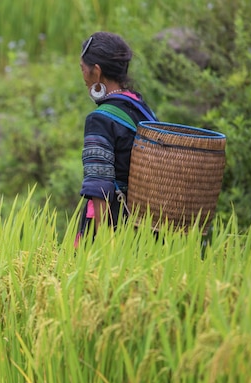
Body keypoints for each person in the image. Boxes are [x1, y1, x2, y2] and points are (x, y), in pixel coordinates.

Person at [75, 31, 158, 244]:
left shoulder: (100, 120)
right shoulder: (143, 109)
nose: (83, 77)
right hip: (147, 225)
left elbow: (99, 187)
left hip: (114, 225)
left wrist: (104, 248)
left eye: (83, 69)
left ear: (97, 71)